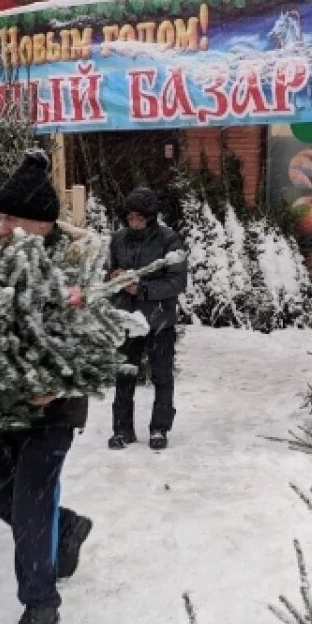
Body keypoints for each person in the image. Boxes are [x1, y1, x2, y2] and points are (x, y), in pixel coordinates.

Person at [0, 151, 95, 624]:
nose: (1, 226)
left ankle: (40, 602)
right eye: (1, 217)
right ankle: (68, 525)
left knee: (30, 503)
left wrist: (60, 381)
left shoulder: (78, 266)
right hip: (0, 404)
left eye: (11, 217)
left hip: (53, 410)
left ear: (42, 224)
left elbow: (97, 339)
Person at [106, 187, 187, 451]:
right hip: (128, 318)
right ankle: (121, 429)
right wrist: (113, 278)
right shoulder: (118, 239)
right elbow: (106, 272)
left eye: (139, 217)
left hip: (159, 319)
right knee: (124, 373)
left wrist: (141, 289)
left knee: (161, 375)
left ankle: (159, 428)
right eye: (130, 217)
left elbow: (176, 282)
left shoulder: (169, 240)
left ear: (150, 217)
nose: (134, 222)